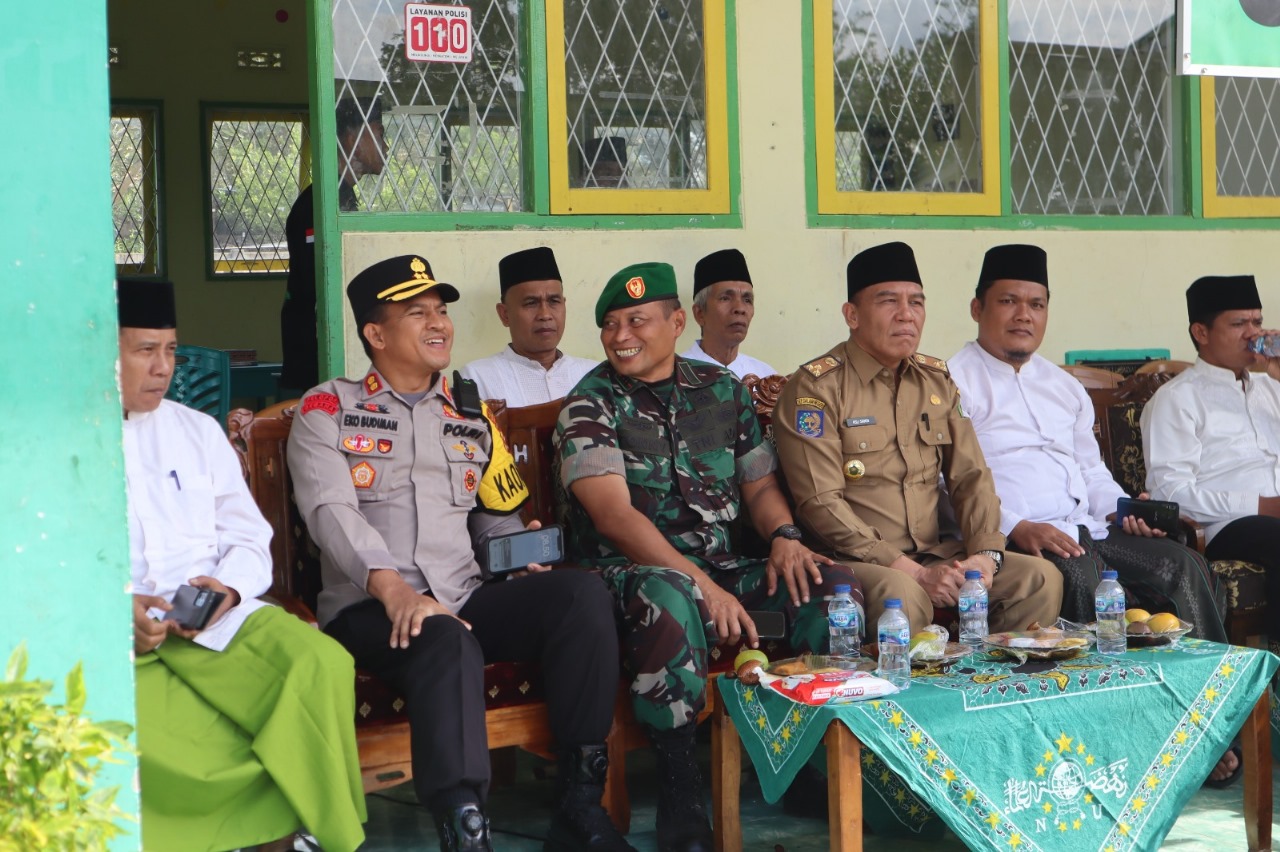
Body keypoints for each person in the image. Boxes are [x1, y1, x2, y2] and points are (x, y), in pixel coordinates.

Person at [287, 255, 630, 852]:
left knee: (579, 594)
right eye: (417, 313)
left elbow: (493, 514)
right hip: (371, 609)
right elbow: (330, 513)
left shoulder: (469, 414)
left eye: (441, 310)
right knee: (445, 637)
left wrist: (515, 553)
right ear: (376, 334)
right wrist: (396, 590)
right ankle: (465, 828)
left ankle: (580, 803)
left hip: (462, 596)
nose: (438, 323)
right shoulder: (328, 410)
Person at [556, 261, 863, 850]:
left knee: (829, 587)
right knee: (671, 595)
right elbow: (614, 518)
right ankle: (681, 790)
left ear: (676, 323)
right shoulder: (590, 404)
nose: (621, 336)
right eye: (611, 325)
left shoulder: (721, 390)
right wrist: (704, 586)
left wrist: (784, 537)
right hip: (625, 576)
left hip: (722, 570)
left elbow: (759, 485)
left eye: (637, 321)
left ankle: (805, 764)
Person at [119, 278, 366, 852]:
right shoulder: (57, 444)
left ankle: (309, 834)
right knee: (180, 738)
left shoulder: (197, 431)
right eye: (145, 350)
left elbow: (251, 537)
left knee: (321, 662)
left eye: (170, 350)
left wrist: (227, 590)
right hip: (124, 636)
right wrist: (114, 611)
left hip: (214, 618)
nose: (162, 367)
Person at [773, 241, 1062, 636]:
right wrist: (911, 571)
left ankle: (991, 673)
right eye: (888, 301)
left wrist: (984, 555)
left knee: (1039, 578)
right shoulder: (816, 388)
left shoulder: (936, 381)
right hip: (857, 561)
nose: (906, 315)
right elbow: (820, 502)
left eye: (916, 303)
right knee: (903, 595)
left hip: (935, 553)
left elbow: (971, 478)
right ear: (852, 315)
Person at [947, 244, 1225, 641]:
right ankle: (1112, 682)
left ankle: (1211, 676)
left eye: (1036, 305)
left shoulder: (1064, 386)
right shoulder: (952, 384)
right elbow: (948, 483)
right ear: (977, 309)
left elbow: (1091, 470)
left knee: (1183, 566)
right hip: (1013, 539)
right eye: (1008, 301)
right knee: (1086, 582)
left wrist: (1120, 511)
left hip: (1086, 529)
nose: (1024, 315)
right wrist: (1016, 526)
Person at [1142, 273, 1280, 782]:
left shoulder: (1271, 388)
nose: (1254, 334)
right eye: (1239, 323)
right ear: (1201, 332)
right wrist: (1260, 504)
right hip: (1227, 524)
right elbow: (1171, 492)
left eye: (1258, 321)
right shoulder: (1177, 399)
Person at [280, 95, 387, 391]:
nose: (386, 146)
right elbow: (322, 280)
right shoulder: (322, 202)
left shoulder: (343, 195)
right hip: (314, 353)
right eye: (380, 133)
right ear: (352, 139)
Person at [459, 246, 597, 407]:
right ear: (505, 314)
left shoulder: (594, 375)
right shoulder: (476, 378)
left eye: (554, 301)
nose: (545, 314)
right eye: (531, 303)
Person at [679, 248, 776, 380]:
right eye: (725, 298)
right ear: (700, 313)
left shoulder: (766, 377)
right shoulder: (676, 377)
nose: (740, 308)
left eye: (747, 300)